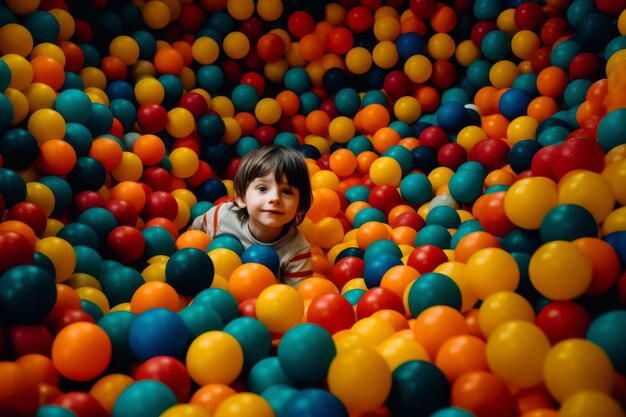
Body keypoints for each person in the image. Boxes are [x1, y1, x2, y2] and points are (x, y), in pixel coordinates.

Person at [190, 145, 313, 287]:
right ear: (242, 197)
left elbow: (296, 297)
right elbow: (190, 242)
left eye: (286, 191)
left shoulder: (297, 250)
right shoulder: (221, 215)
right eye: (262, 188)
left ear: (300, 206)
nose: (275, 198)